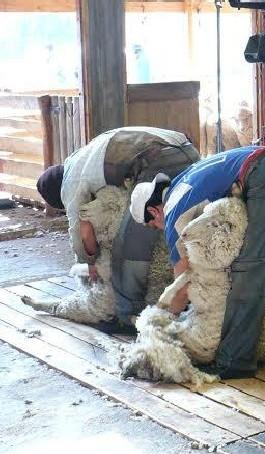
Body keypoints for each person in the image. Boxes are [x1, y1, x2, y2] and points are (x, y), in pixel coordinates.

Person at [129, 144, 265, 378]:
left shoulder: (172, 216)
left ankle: (235, 362)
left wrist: (163, 324)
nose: (158, 229)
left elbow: (181, 287)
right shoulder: (183, 181)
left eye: (153, 225)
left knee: (250, 270)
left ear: (153, 212)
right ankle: (260, 344)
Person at [35, 127, 199, 330]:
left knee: (129, 245)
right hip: (187, 149)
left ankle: (130, 315)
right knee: (184, 226)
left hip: (160, 159)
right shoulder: (83, 158)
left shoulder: (71, 181)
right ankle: (188, 297)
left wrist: (88, 263)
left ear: (58, 195)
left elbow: (79, 231)